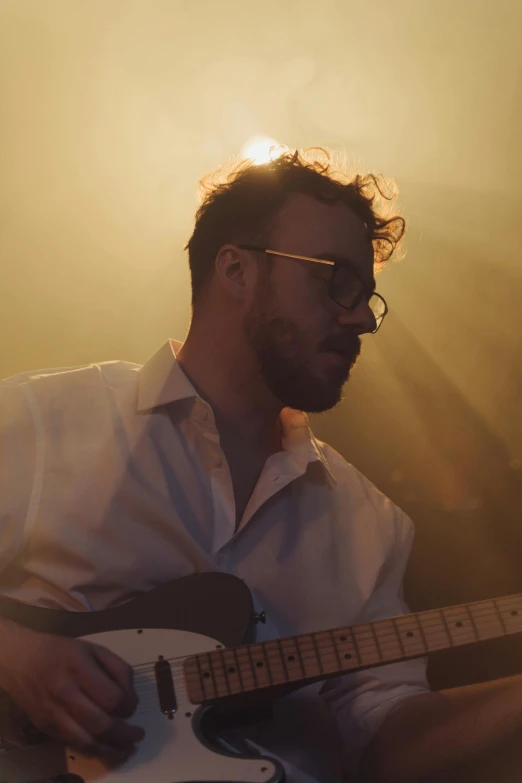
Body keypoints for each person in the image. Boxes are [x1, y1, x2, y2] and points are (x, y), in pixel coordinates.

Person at [1, 149, 521, 783]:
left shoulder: (372, 525)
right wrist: (16, 654)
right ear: (236, 268)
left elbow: (389, 745)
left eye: (366, 297)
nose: (361, 318)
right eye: (337, 281)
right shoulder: (42, 420)